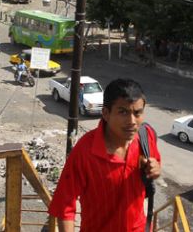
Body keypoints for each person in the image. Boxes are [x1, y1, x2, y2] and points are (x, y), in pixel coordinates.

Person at [47, 78, 161, 232]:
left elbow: (156, 164)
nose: (132, 121)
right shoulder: (85, 150)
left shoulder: (146, 137)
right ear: (106, 113)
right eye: (123, 112)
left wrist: (156, 169)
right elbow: (65, 205)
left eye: (137, 113)